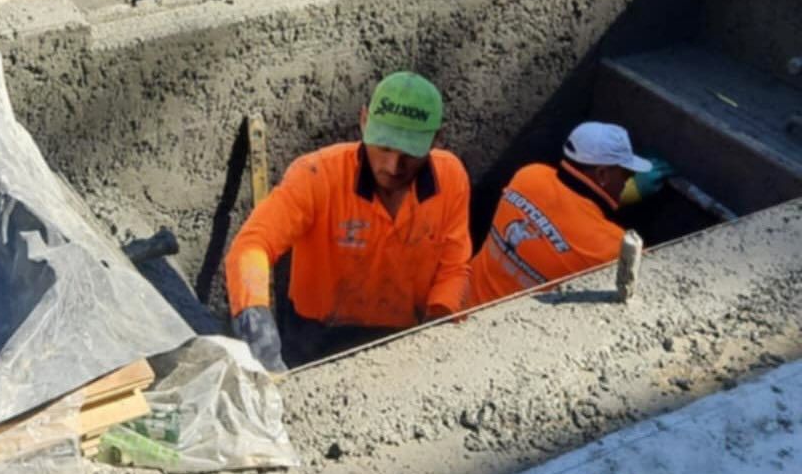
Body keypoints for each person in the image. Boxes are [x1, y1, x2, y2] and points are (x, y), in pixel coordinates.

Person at [226, 72, 471, 372]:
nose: (393, 166)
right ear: (364, 121)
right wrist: (255, 322)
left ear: (437, 139)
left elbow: (454, 267)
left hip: (402, 339)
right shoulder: (317, 176)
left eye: (409, 153)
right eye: (384, 147)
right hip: (315, 339)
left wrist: (438, 327)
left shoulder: (451, 179)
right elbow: (252, 244)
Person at [468, 121, 667, 308]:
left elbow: (563, 208)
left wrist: (611, 198)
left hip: (459, 306)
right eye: (626, 174)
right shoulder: (610, 247)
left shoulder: (528, 175)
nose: (627, 181)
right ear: (602, 175)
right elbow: (658, 281)